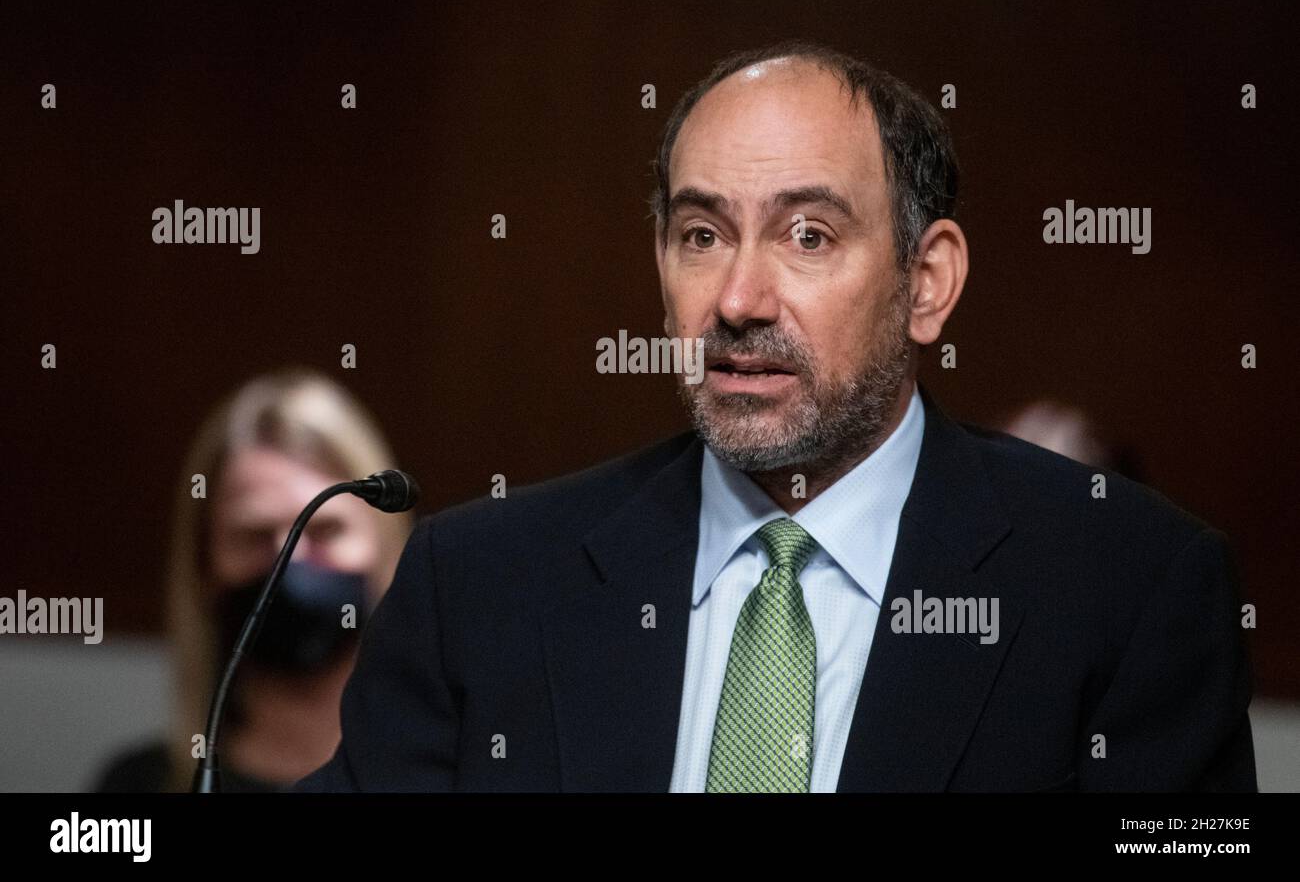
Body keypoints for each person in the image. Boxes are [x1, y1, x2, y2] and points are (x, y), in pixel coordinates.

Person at [295, 40, 1255, 792]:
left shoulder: (1127, 590)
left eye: (809, 234)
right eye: (701, 235)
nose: (740, 298)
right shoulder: (482, 586)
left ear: (928, 284)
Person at [94, 369, 413, 791]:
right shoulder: (140, 785)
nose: (289, 559)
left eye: (324, 530)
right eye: (255, 536)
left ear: (387, 548)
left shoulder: (461, 776)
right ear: (205, 568)